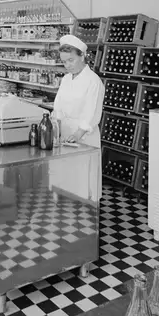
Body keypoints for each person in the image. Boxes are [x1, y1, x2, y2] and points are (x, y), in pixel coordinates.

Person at [53, 34, 105, 196]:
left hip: (84, 137)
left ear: (82, 56)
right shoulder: (66, 79)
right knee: (66, 178)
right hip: (65, 134)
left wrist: (78, 134)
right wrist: (56, 127)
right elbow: (58, 106)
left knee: (83, 180)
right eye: (64, 62)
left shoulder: (93, 81)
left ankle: (87, 206)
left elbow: (92, 112)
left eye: (71, 60)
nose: (67, 65)